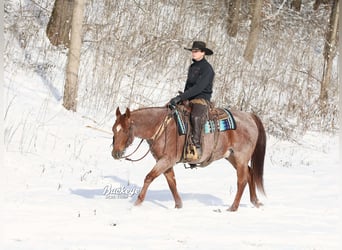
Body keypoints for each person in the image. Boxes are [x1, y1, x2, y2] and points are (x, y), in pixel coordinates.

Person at [169, 41, 215, 159]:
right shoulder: (193, 66)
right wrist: (181, 98)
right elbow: (188, 85)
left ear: (203, 53)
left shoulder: (207, 69)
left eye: (196, 51)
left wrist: (182, 97)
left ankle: (196, 147)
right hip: (189, 97)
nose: (193, 53)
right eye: (192, 51)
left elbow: (199, 87)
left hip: (201, 99)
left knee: (195, 117)